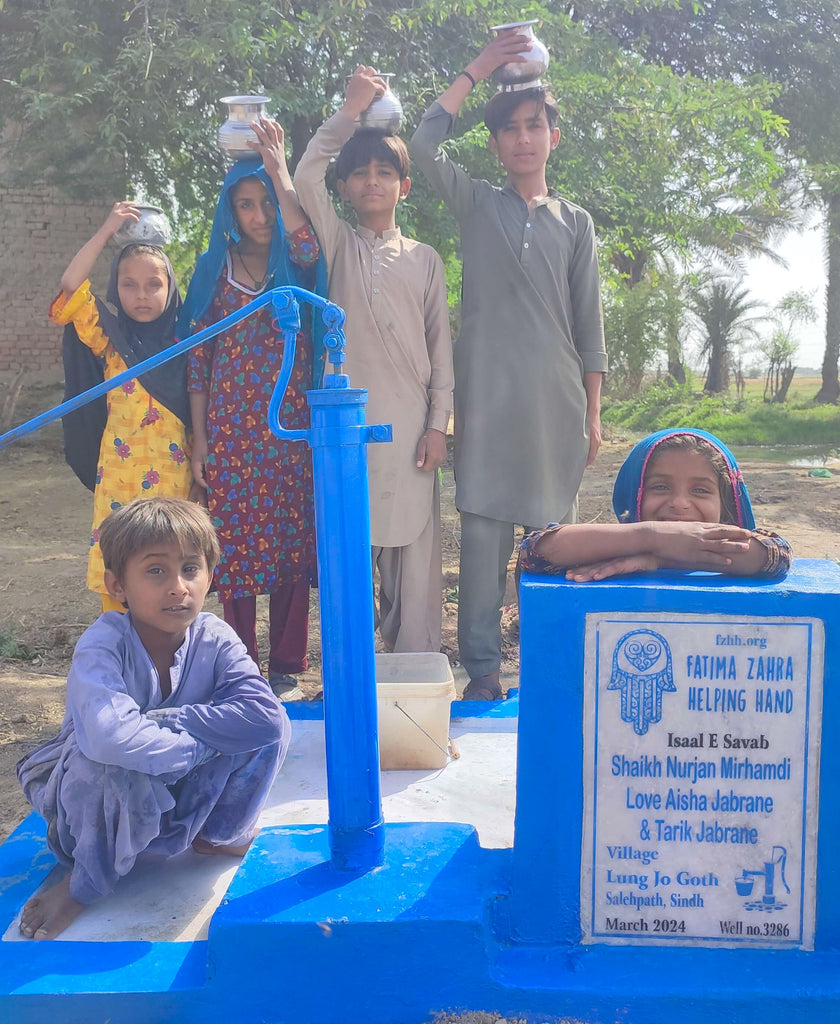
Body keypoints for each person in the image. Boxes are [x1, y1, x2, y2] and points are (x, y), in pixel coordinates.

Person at [410, 31, 608, 700]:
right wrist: (479, 67)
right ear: (495, 143)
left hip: (558, 410)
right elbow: (420, 146)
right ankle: (484, 672)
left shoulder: (575, 223)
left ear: (554, 136)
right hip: (487, 410)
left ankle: (549, 669)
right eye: (511, 129)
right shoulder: (477, 207)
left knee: (552, 545)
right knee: (483, 545)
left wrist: (595, 411)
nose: (524, 138)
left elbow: (590, 326)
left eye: (535, 125)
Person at [16, 497, 290, 941]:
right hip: (95, 807)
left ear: (209, 577)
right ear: (117, 585)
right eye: (156, 570)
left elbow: (263, 717)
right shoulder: (102, 643)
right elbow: (109, 738)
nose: (178, 586)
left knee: (274, 724)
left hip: (176, 789)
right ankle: (84, 883)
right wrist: (198, 744)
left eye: (190, 568)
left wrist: (171, 720)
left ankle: (218, 834)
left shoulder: (215, 637)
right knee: (103, 762)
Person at [294, 67, 454, 654]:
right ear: (346, 187)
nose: (371, 181)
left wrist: (439, 425)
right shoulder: (336, 244)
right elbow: (306, 171)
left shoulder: (425, 259)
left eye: (385, 172)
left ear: (403, 186)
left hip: (412, 426)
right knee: (350, 549)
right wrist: (349, 110)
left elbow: (441, 349)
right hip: (348, 429)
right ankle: (352, 672)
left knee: (416, 558)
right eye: (360, 172)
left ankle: (414, 677)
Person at [181, 117, 325, 700]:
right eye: (246, 205)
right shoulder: (214, 275)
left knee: (291, 541)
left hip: (289, 427)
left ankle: (288, 664)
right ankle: (239, 664)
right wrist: (201, 440)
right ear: (229, 213)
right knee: (234, 547)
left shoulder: (295, 268)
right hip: (230, 432)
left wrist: (278, 172)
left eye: (265, 203)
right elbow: (198, 363)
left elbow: (310, 244)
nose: (259, 216)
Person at [51, 203, 193, 613]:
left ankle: (168, 663)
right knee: (119, 575)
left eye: (153, 284)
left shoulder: (187, 342)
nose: (142, 295)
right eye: (129, 285)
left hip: (172, 476)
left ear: (170, 288)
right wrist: (106, 231)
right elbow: (70, 285)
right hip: (119, 479)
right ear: (115, 288)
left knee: (170, 569)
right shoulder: (109, 337)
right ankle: (120, 660)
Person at [519, 429, 792, 581]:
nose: (680, 504)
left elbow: (777, 554)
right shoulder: (612, 549)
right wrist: (652, 537)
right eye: (660, 487)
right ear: (633, 493)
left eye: (700, 490)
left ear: (727, 502)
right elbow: (535, 550)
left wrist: (657, 558)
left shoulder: (724, 547)